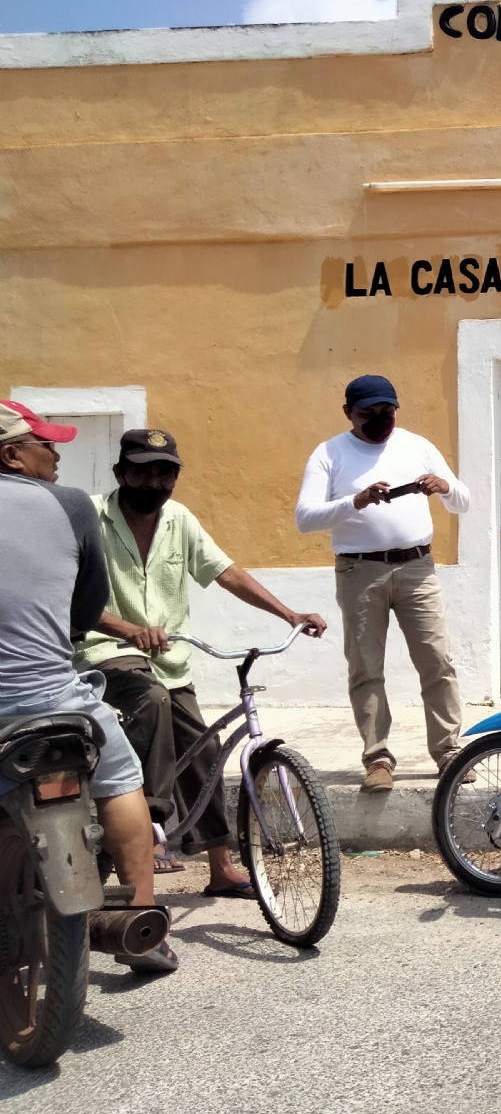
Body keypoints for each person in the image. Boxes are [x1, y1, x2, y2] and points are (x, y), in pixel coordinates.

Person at [75, 430, 327, 896]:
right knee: (150, 703)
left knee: (206, 752)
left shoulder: (179, 519)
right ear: (119, 473)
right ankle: (146, 828)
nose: (154, 483)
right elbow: (69, 596)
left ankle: (220, 867)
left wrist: (288, 613)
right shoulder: (90, 516)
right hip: (107, 653)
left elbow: (226, 572)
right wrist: (127, 629)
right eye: (142, 471)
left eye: (165, 473)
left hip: (170, 659)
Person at [0, 401, 172, 973]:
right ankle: (142, 918)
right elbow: (87, 606)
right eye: (45, 445)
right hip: (57, 700)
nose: (56, 454)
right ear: (12, 456)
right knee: (121, 775)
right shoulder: (70, 505)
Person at [294, 375, 471, 793]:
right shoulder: (329, 454)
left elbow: (463, 500)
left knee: (436, 660)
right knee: (365, 668)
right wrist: (354, 501)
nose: (378, 420)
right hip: (360, 571)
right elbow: (304, 518)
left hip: (417, 567)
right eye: (367, 414)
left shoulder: (416, 445)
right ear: (347, 413)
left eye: (386, 412)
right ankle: (377, 758)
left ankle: (448, 751)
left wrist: (445, 487)